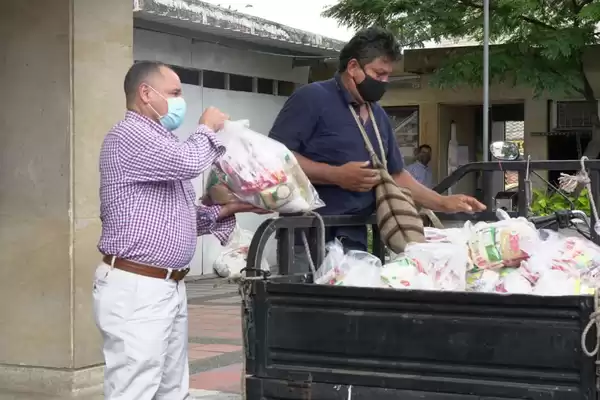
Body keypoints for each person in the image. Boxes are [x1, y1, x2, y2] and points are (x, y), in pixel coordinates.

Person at [94, 61, 260, 400]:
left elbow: (180, 219)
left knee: (171, 389)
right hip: (138, 286)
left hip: (167, 286)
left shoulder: (161, 142)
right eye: (174, 93)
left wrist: (231, 207)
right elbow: (187, 161)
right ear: (145, 93)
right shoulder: (129, 136)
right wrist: (207, 128)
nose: (180, 101)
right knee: (135, 388)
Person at [269, 27, 485, 271]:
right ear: (353, 67)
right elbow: (277, 156)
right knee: (307, 308)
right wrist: (335, 175)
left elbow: (396, 175)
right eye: (378, 74)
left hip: (356, 237)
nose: (384, 82)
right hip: (308, 236)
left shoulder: (377, 115)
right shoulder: (312, 98)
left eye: (387, 76)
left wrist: (443, 203)